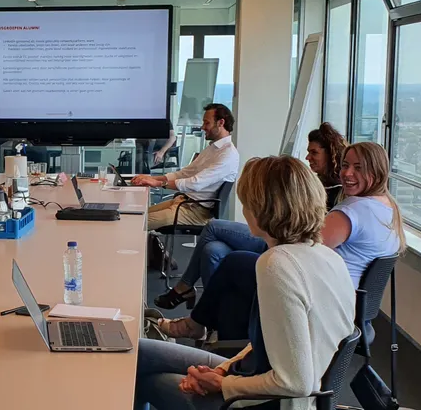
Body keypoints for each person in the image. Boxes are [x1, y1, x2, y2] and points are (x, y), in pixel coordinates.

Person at [128, 155, 355, 410]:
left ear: (263, 207)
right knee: (136, 353)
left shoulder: (277, 265)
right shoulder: (323, 255)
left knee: (140, 379)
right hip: (263, 388)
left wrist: (225, 384)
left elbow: (296, 381)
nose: (244, 207)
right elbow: (285, 350)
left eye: (248, 200)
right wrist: (227, 373)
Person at [159, 141, 405, 340]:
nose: (348, 173)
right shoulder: (387, 207)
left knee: (228, 254)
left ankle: (197, 320)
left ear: (376, 171)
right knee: (215, 249)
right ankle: (210, 330)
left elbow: (305, 248)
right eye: (345, 165)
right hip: (345, 296)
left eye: (358, 168)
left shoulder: (353, 212)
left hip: (322, 297)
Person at [153, 122, 349, 309]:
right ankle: (214, 318)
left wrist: (159, 182)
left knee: (213, 227)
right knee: (212, 250)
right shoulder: (316, 184)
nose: (308, 157)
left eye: (314, 152)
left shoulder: (332, 192)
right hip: (279, 237)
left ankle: (186, 290)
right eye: (308, 152)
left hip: (282, 240)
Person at [131, 103, 239, 231]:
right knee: (136, 215)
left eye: (207, 123)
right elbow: (185, 173)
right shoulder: (213, 148)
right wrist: (151, 178)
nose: (203, 127)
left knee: (137, 223)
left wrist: (158, 183)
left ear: (221, 123)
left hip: (196, 212)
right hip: (184, 201)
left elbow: (195, 183)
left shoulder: (228, 154)